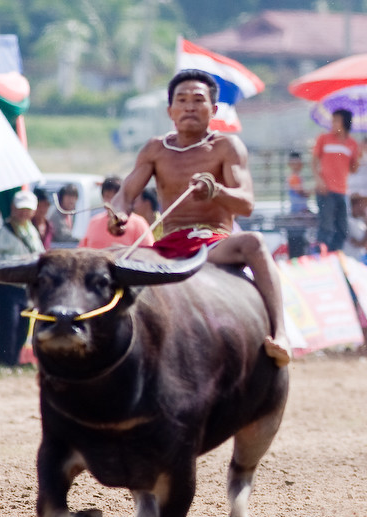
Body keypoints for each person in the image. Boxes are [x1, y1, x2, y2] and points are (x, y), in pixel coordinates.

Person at [108, 68, 290, 366]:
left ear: (213, 109)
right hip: (167, 248)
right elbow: (125, 194)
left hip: (214, 243)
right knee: (108, 259)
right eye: (181, 100)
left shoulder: (226, 147)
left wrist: (215, 191)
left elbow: (245, 204)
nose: (189, 107)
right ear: (170, 110)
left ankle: (280, 333)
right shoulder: (155, 149)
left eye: (197, 100)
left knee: (254, 243)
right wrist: (118, 214)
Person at [0, 190, 45, 366]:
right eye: (21, 208)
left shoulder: (31, 231)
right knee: (8, 323)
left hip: (25, 285)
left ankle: (15, 359)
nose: (24, 213)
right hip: (7, 284)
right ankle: (4, 361)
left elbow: (39, 252)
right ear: (13, 208)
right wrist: (17, 261)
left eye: (28, 209)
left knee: (23, 324)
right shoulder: (3, 231)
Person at [312, 108, 359, 252]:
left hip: (342, 191)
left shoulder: (352, 144)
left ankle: (333, 255)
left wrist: (359, 158)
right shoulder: (324, 139)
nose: (333, 123)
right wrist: (319, 180)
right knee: (326, 228)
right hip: (326, 190)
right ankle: (320, 257)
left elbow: (353, 169)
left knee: (342, 229)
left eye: (336, 120)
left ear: (344, 122)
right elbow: (314, 161)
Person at [80, 175, 155, 249]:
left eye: (115, 196)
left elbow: (148, 253)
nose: (112, 201)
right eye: (107, 196)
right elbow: (82, 251)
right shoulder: (94, 222)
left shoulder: (138, 223)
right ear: (103, 198)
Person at [286, 151, 311, 215]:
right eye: (294, 164)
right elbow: (302, 192)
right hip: (298, 210)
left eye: (298, 163)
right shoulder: (293, 177)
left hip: (301, 209)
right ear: (289, 164)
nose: (297, 166)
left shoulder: (298, 177)